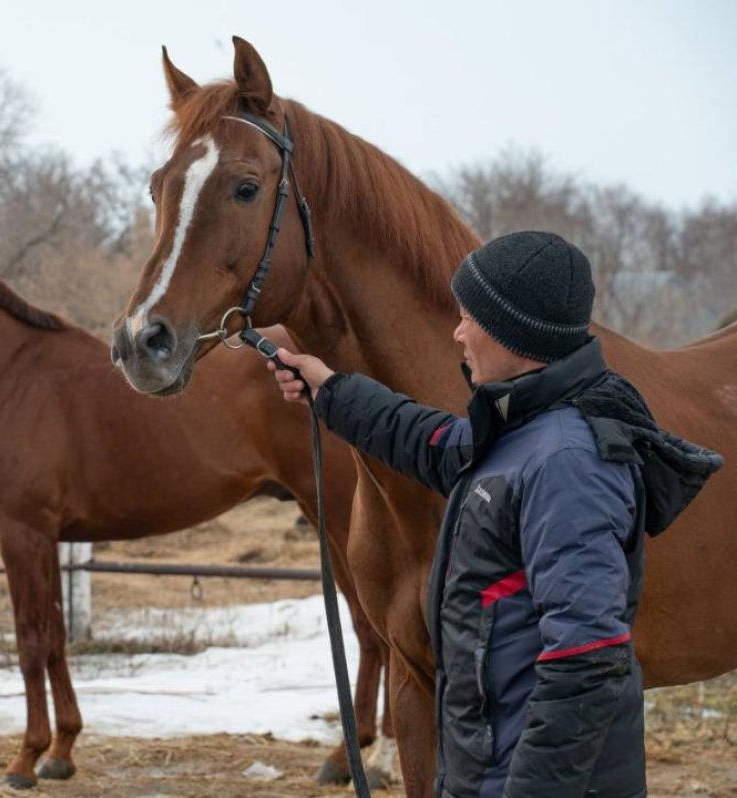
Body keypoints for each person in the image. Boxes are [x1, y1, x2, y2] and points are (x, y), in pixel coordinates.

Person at [270, 231, 722, 797]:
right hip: (490, 767)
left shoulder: (568, 463)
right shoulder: (522, 430)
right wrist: (332, 392)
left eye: (470, 318)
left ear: (517, 333)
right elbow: (430, 441)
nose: (457, 333)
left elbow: (585, 663)